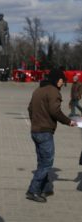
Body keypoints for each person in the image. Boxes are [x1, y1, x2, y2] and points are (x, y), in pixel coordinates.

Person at [26, 68, 77, 203]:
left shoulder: (38, 90)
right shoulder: (53, 91)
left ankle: (45, 187)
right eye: (61, 80)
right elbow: (55, 111)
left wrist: (35, 122)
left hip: (35, 131)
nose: (62, 83)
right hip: (44, 132)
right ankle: (33, 190)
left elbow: (30, 108)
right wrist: (69, 121)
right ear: (56, 79)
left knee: (41, 161)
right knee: (47, 163)